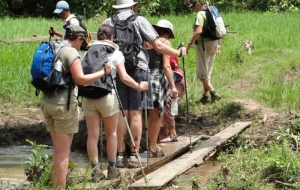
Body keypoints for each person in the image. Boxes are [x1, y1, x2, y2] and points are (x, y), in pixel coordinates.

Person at [103, 0, 187, 168]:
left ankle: (120, 155)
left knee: (121, 113)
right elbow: (157, 45)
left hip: (117, 70)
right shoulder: (139, 20)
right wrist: (178, 52)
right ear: (133, 6)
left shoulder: (108, 22)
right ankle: (134, 155)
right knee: (136, 113)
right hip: (139, 69)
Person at [41, 25, 112, 189]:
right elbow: (80, 79)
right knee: (63, 152)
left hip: (47, 103)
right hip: (63, 106)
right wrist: (103, 72)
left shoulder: (54, 47)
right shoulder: (71, 52)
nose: (82, 47)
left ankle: (55, 186)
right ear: (78, 39)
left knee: (57, 150)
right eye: (82, 43)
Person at [81, 24, 148, 181]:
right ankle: (112, 169)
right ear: (112, 38)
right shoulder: (116, 53)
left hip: (88, 96)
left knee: (92, 135)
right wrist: (139, 86)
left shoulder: (87, 52)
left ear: (98, 36)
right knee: (111, 133)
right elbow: (124, 77)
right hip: (108, 96)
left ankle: (96, 170)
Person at [144, 20, 178, 157]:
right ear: (167, 33)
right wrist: (173, 86)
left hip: (145, 78)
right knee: (158, 116)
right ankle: (152, 147)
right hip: (158, 79)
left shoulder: (146, 42)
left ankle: (152, 145)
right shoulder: (165, 43)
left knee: (151, 115)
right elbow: (166, 66)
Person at [187, 0, 222, 104]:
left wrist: (189, 45)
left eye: (193, 6)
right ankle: (205, 96)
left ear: (198, 4)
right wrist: (219, 45)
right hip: (214, 43)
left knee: (201, 72)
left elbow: (198, 31)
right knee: (207, 70)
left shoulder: (200, 14)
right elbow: (219, 29)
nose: (193, 8)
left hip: (204, 45)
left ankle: (213, 93)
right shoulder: (213, 11)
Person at [159, 56, 186, 143]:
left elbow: (168, 68)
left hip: (176, 83)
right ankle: (163, 133)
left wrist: (173, 87)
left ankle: (171, 131)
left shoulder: (166, 54)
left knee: (167, 102)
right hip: (164, 83)